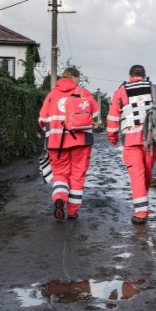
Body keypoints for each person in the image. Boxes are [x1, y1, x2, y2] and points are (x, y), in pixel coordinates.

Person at [106, 64, 156, 224]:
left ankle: (141, 212)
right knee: (146, 173)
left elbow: (112, 117)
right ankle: (142, 203)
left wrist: (113, 138)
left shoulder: (121, 91)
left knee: (137, 175)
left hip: (131, 140)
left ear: (130, 75)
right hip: (152, 140)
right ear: (144, 76)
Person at [38, 67, 99, 220]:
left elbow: (41, 120)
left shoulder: (52, 95)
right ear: (74, 77)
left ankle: (59, 196)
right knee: (77, 175)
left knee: (60, 174)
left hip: (56, 143)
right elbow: (96, 113)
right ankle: (72, 211)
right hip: (81, 141)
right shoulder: (83, 92)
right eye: (78, 78)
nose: (79, 81)